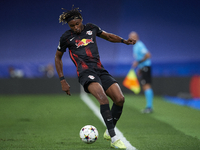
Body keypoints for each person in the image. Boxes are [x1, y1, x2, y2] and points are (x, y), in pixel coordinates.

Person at [55, 6, 136, 149]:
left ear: (81, 21)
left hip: (100, 70)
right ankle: (114, 138)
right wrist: (63, 80)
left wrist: (124, 41)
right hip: (85, 73)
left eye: (77, 24)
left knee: (120, 99)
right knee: (103, 99)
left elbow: (109, 36)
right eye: (72, 26)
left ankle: (108, 130)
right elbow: (57, 58)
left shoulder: (92, 28)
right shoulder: (66, 37)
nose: (75, 27)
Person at [129, 31, 154, 114]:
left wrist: (138, 63)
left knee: (146, 86)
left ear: (136, 37)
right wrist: (139, 68)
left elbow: (148, 55)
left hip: (146, 67)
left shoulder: (139, 45)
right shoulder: (135, 46)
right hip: (143, 67)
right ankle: (149, 106)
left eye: (132, 37)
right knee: (145, 86)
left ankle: (149, 107)